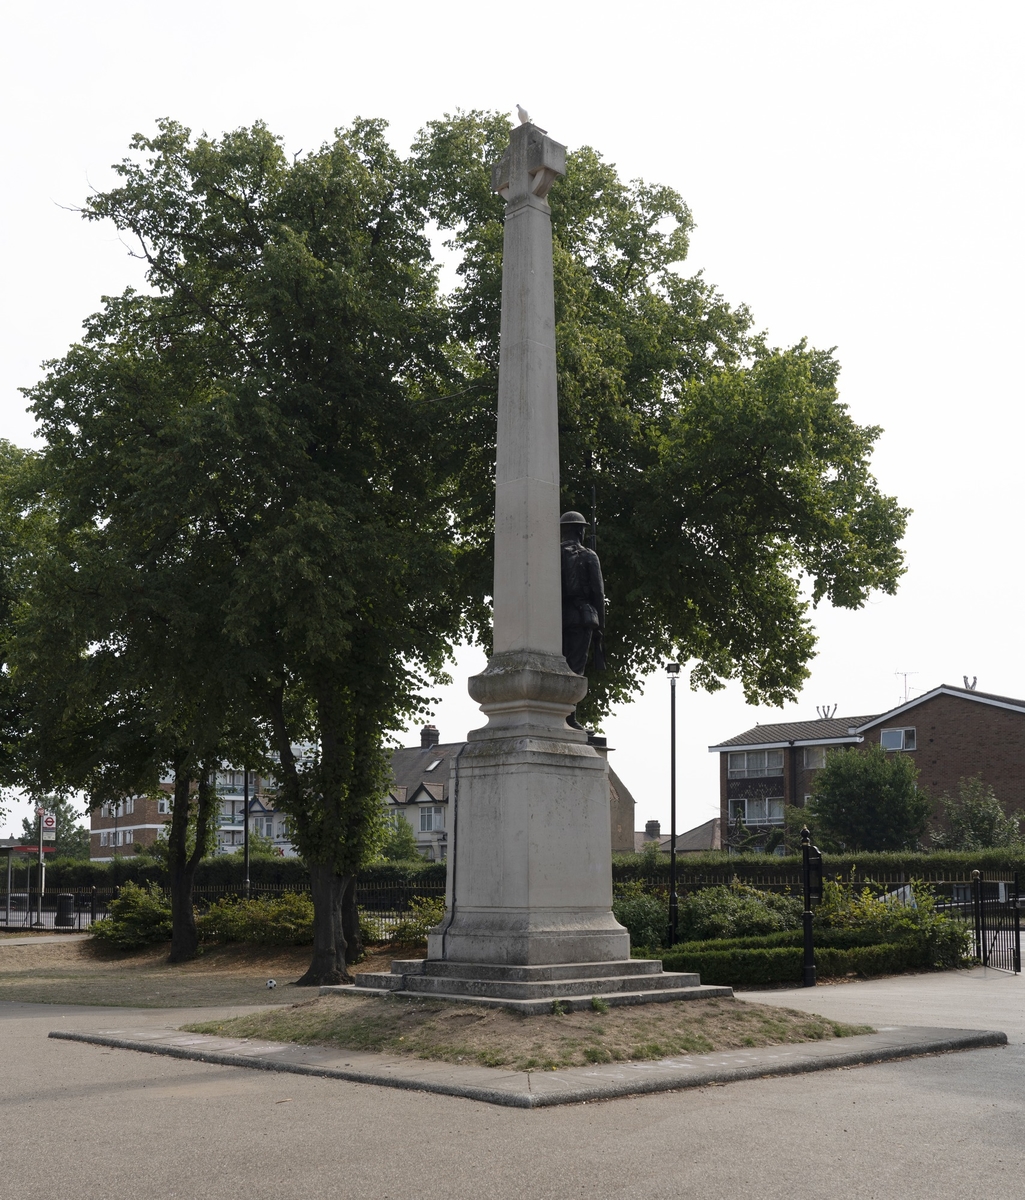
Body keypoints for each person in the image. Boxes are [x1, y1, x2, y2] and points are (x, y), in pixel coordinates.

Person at [560, 510, 605, 679]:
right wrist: (600, 626)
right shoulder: (588, 555)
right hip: (581, 618)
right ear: (580, 531)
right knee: (575, 672)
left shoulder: (550, 555)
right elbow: (598, 593)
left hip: (557, 620)